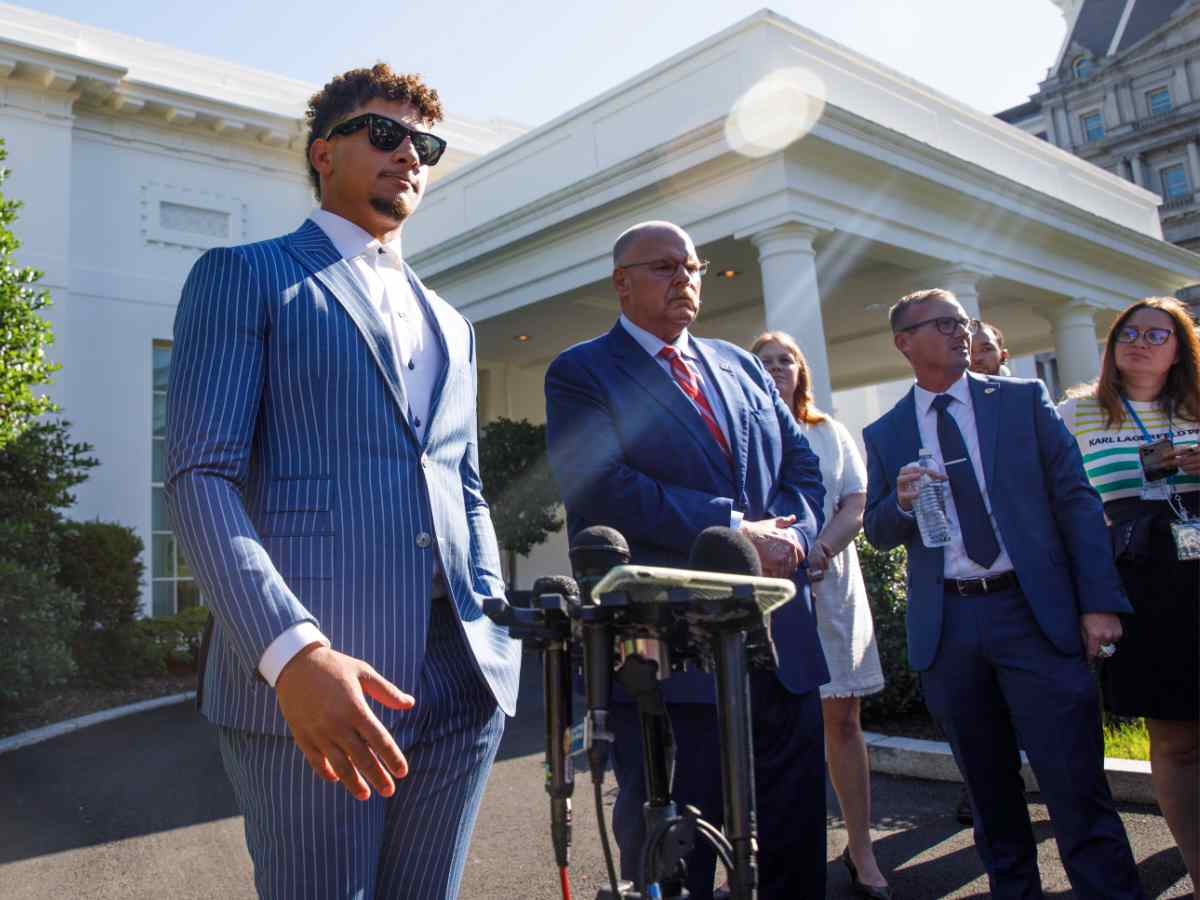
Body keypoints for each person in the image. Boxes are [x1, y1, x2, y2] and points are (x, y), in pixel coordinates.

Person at [164, 65, 520, 900]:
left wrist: (494, 623)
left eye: (424, 144)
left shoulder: (454, 325)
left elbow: (463, 488)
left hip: (459, 678)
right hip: (319, 680)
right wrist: (294, 654)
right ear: (324, 152)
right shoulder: (245, 275)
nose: (410, 155)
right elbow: (199, 475)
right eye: (384, 134)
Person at [544, 221, 829, 900]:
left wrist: (790, 536)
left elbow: (803, 469)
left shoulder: (739, 364)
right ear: (622, 281)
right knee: (682, 838)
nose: (685, 280)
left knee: (795, 828)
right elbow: (604, 485)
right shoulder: (582, 372)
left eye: (693, 267)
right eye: (665, 267)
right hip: (671, 649)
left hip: (780, 635)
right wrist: (734, 529)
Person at [862, 288, 1143, 899]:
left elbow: (1074, 499)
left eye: (962, 322)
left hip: (1033, 615)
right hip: (950, 629)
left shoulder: (1020, 401)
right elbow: (879, 533)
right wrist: (902, 502)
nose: (959, 332)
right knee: (990, 798)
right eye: (941, 324)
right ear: (904, 342)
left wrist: (1097, 603)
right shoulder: (885, 432)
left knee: (1075, 786)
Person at [1057, 296, 1199, 887]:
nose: (1140, 341)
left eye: (1157, 333)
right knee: (1173, 737)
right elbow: (1067, 506)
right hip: (1144, 587)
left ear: (1180, 348)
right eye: (1128, 332)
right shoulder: (1077, 413)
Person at [751, 331, 890, 899]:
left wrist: (820, 550)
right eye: (764, 360)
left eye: (787, 360)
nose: (777, 367)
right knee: (765, 724)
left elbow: (855, 503)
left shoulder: (827, 432)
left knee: (843, 721)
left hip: (828, 589)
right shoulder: (742, 435)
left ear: (802, 372)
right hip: (764, 597)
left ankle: (861, 849)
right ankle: (764, 844)